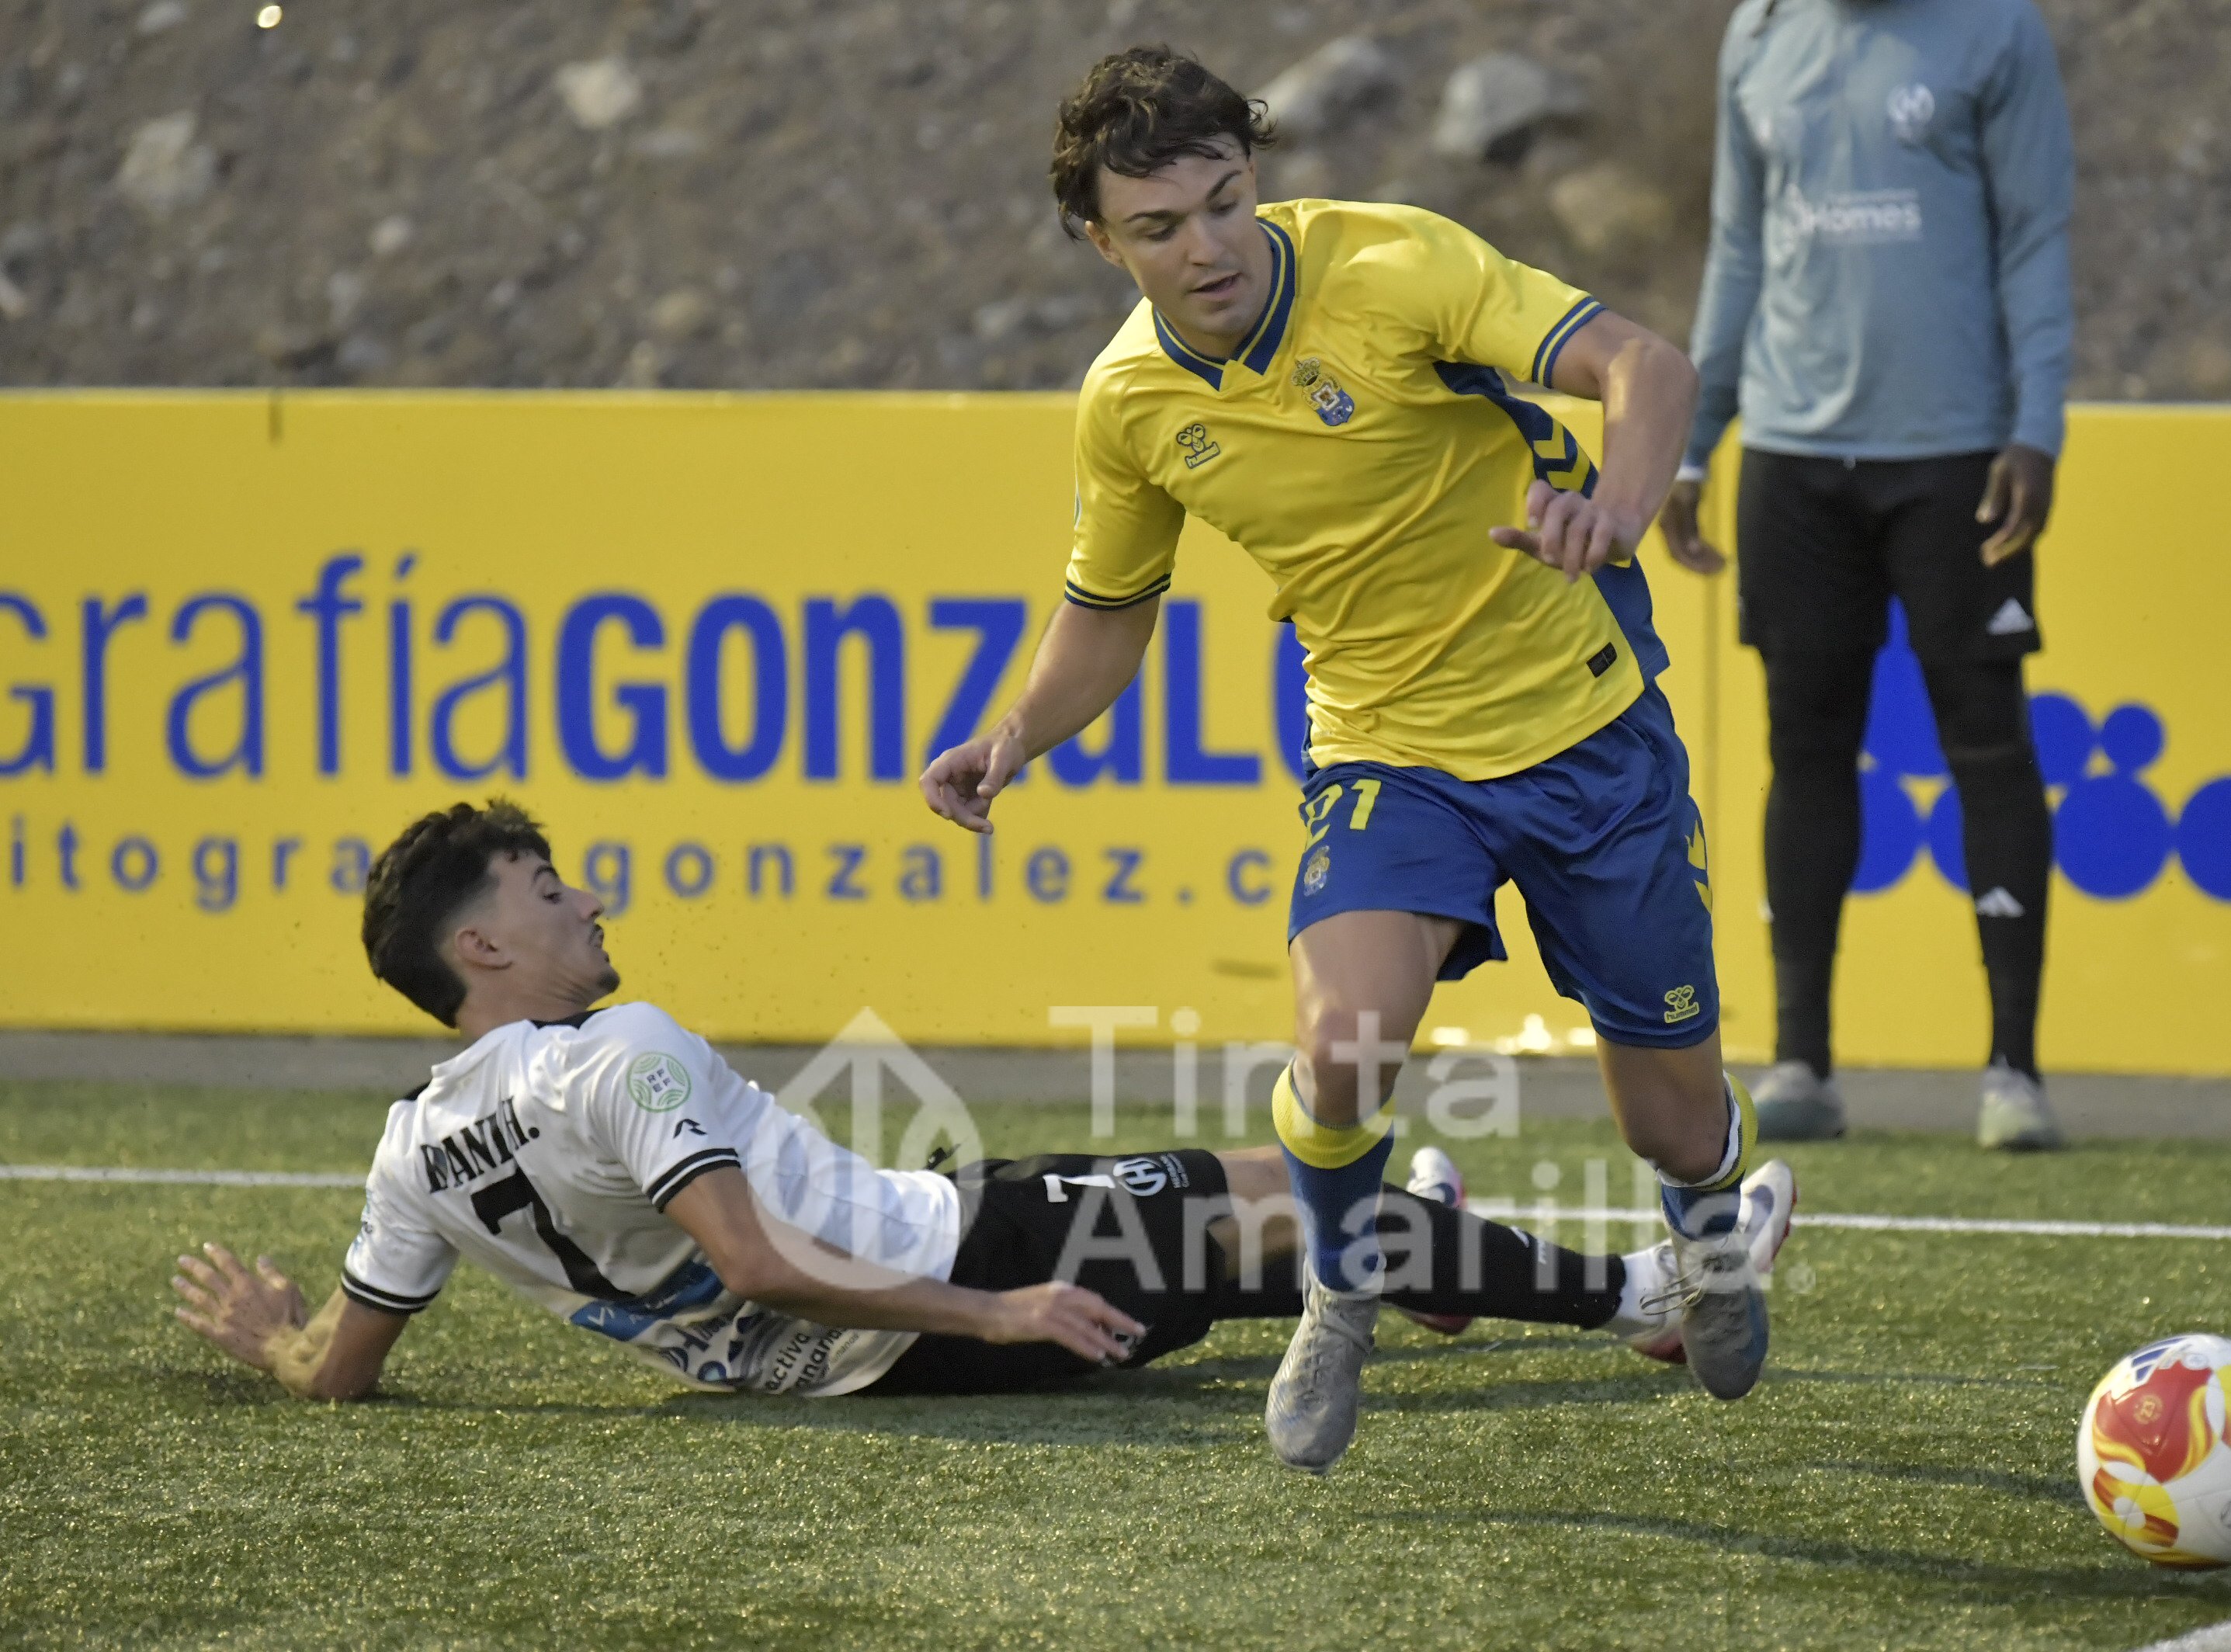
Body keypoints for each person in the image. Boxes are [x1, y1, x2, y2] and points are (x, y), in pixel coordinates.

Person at [918, 47, 1759, 1476]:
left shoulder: (1390, 263)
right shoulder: (1128, 404)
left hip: (1585, 730)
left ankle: (1711, 1232)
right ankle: (1341, 1282)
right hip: (1386, 748)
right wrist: (1013, 736)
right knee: (1344, 1040)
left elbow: (1645, 366)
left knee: (1670, 1121)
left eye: (1225, 202)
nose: (1206, 248)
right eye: (1159, 228)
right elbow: (1109, 613)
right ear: (1100, 240)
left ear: (1258, 178)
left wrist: (1617, 507)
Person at [171, 800, 1799, 1406]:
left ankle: (1427, 1268)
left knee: (1263, 1180)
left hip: (848, 1349)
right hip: (946, 1265)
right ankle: (1642, 1297)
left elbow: (344, 1369)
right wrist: (1001, 1306)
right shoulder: (620, 1044)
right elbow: (745, 1252)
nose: (584, 897)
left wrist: (277, 1339)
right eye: (544, 886)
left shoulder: (410, 1141)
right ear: (483, 945)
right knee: (1310, 1193)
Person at [1656, 0, 2077, 1150]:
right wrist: (1698, 442)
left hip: (1956, 459)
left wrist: (2035, 424)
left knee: (1985, 741)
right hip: (1795, 464)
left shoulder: (1995, 31)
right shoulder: (1760, 34)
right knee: (1806, 745)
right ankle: (1803, 1059)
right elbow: (1739, 246)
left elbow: (2036, 233)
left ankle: (2013, 1072)